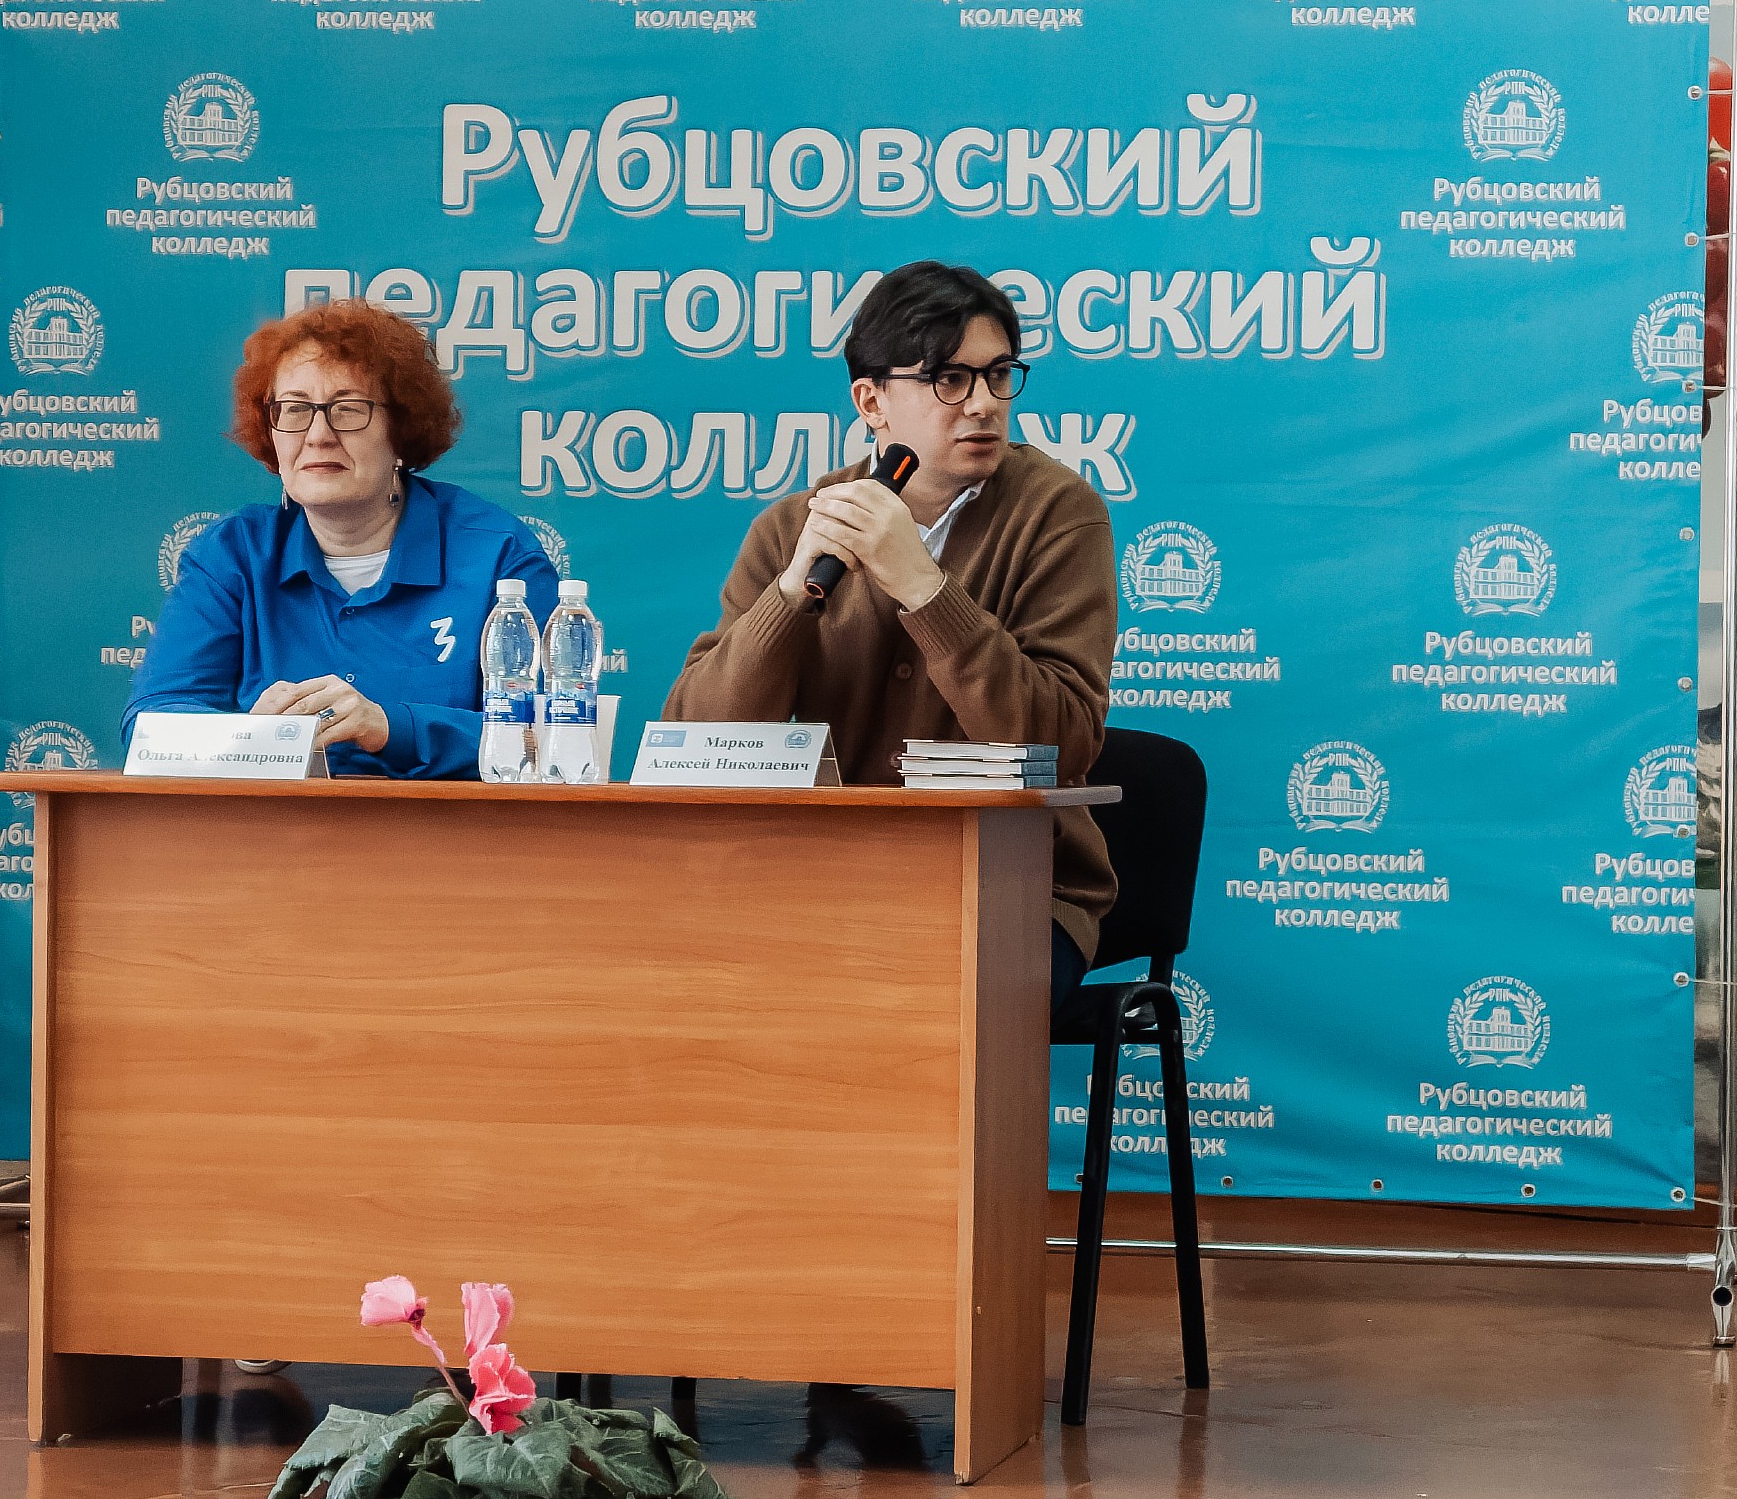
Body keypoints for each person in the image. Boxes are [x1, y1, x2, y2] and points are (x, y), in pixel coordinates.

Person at [659, 260, 1116, 1004]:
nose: (983, 404)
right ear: (872, 401)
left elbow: (1060, 743)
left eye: (1000, 375)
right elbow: (697, 739)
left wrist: (924, 588)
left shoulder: (1058, 515)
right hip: (826, 882)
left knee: (897, 989)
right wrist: (789, 597)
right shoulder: (795, 526)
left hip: (1016, 891)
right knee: (695, 975)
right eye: (948, 380)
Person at [125, 301, 557, 778]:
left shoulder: (498, 555)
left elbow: (550, 736)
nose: (318, 435)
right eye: (294, 410)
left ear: (401, 431)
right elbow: (152, 724)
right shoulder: (232, 555)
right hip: (274, 824)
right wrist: (248, 739)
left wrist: (390, 727)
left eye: (348, 410)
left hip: (448, 826)